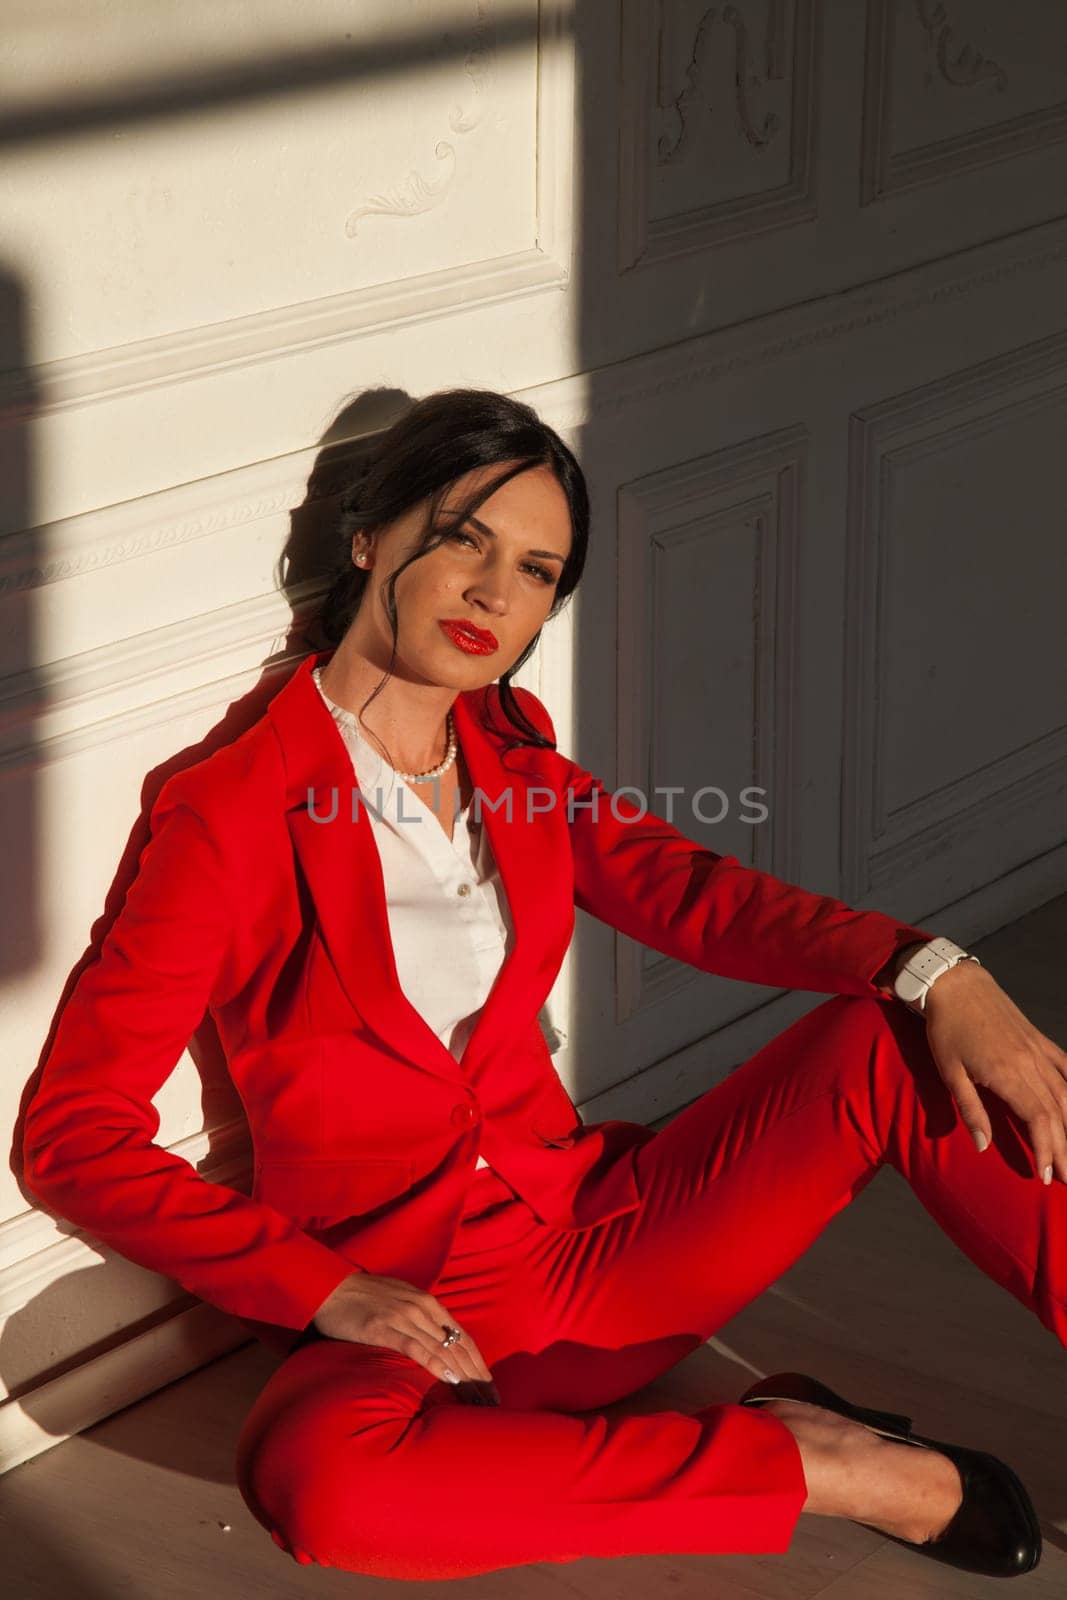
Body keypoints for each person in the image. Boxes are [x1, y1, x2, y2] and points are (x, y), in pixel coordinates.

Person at [22, 389, 1062, 1582]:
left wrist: (933, 968)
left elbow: (696, 894)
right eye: (462, 534)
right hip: (416, 1320)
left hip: (603, 1256)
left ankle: (736, 1439)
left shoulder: (511, 751)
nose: (492, 592)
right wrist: (329, 1288)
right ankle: (824, 1466)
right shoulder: (227, 811)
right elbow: (73, 1138)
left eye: (534, 567)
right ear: (368, 535)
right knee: (315, 1482)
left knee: (906, 1036)